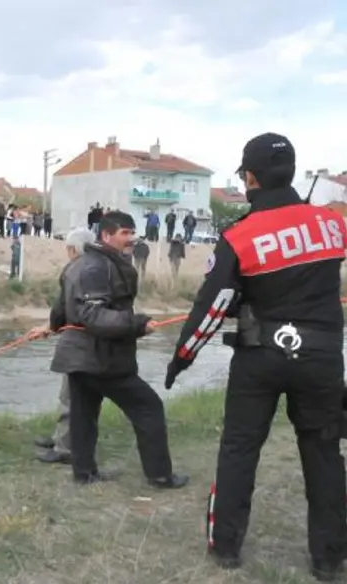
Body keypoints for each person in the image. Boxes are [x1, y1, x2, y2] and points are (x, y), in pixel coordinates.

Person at [164, 133, 347, 580]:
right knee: (323, 452)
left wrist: (182, 357)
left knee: (240, 449)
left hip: (259, 356)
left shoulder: (240, 235)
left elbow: (213, 305)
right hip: (322, 355)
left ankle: (226, 547)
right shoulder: (332, 225)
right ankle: (328, 558)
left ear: (249, 177)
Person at [29, 211, 188, 488]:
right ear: (106, 236)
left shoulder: (80, 264)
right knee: (148, 407)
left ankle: (84, 474)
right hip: (100, 358)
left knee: (83, 416)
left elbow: (61, 311)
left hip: (81, 357)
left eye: (132, 232)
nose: (131, 238)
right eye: (124, 233)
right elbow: (93, 316)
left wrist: (52, 326)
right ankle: (160, 476)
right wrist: (138, 324)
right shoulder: (95, 268)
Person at [30, 227, 95, 465]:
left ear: (71, 249)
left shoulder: (75, 269)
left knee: (71, 395)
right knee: (80, 395)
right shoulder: (102, 266)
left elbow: (62, 307)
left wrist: (50, 327)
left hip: (80, 343)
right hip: (98, 341)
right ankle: (64, 438)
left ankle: (65, 447)